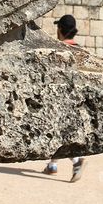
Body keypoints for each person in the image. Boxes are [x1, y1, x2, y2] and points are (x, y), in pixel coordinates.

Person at [42, 14, 87, 183]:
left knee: (57, 133)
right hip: (76, 100)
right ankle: (52, 165)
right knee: (60, 133)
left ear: (60, 29)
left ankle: (77, 161)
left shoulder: (58, 50)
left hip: (59, 100)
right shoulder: (80, 50)